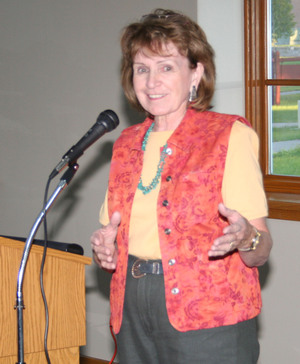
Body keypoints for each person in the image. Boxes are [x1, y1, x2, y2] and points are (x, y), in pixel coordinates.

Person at [91, 8, 273, 364]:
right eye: (142, 69)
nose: (151, 81)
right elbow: (113, 233)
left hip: (210, 314)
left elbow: (262, 249)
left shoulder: (228, 136)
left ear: (196, 73)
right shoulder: (126, 144)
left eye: (166, 67)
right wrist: (105, 249)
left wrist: (245, 237)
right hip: (131, 307)